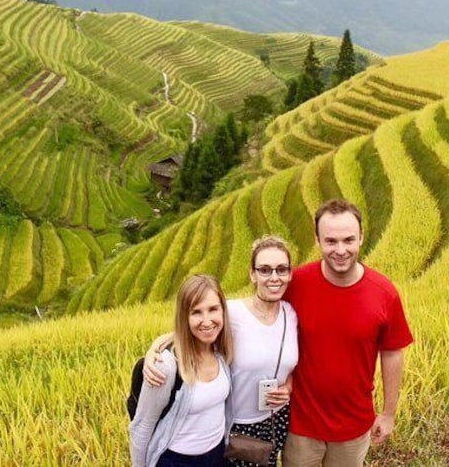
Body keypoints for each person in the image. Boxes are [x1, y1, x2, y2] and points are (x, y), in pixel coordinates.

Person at [144, 236, 300, 467]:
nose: (274, 277)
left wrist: (288, 387)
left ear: (289, 273)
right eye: (265, 270)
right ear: (252, 274)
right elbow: (195, 326)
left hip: (277, 419)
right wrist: (155, 349)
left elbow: (291, 364)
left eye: (281, 269)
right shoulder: (233, 312)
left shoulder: (291, 313)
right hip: (237, 425)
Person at [281, 198, 413, 467]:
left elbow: (392, 354)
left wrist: (388, 414)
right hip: (301, 426)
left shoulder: (384, 293)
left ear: (361, 238)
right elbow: (254, 314)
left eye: (348, 240)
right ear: (317, 240)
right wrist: (178, 336)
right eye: (331, 241)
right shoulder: (295, 284)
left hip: (353, 427)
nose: (340, 250)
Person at [129, 274, 234, 467]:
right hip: (178, 461)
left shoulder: (221, 349)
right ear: (184, 317)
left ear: (223, 310)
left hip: (217, 455)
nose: (207, 320)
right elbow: (142, 425)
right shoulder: (166, 365)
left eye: (213, 309)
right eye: (196, 312)